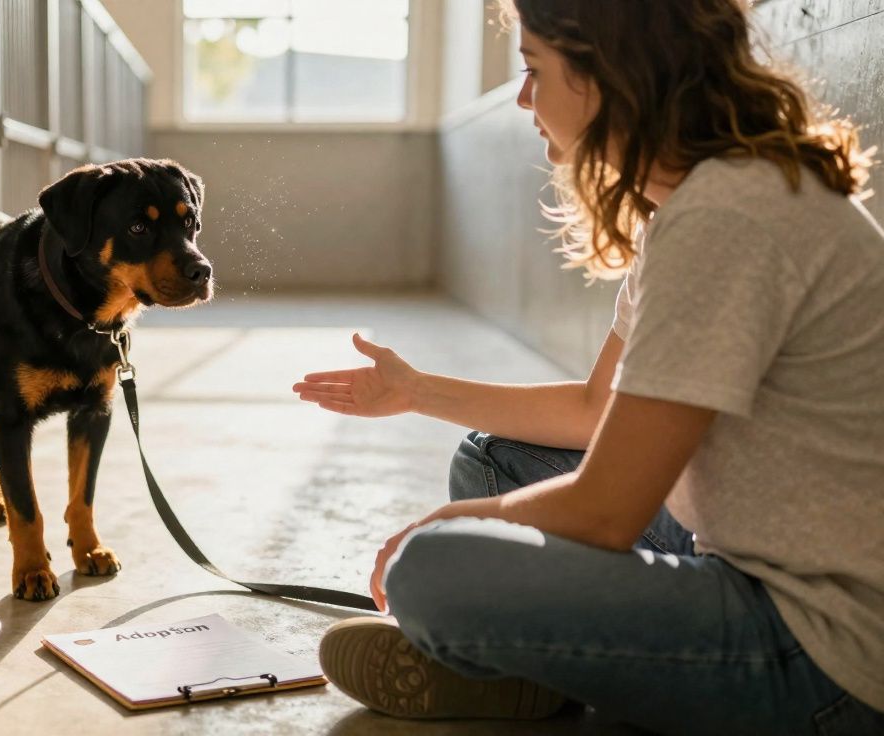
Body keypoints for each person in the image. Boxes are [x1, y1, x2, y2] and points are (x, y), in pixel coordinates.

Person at [292, 2, 884, 734]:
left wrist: (440, 528)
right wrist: (415, 392)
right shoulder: (698, 203)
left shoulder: (727, 217)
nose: (523, 100)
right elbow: (595, 411)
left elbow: (606, 511)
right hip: (745, 552)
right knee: (493, 465)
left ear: (608, 73)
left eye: (536, 71)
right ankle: (547, 667)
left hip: (826, 654)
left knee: (434, 568)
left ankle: (533, 664)